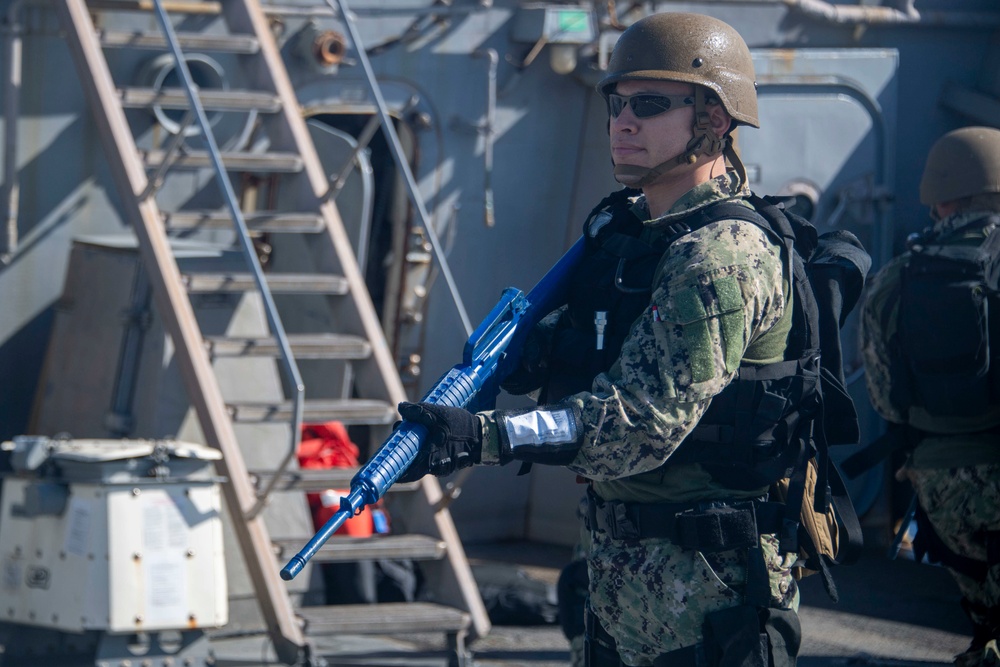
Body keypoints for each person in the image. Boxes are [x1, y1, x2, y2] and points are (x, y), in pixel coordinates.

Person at [396, 12, 867, 667]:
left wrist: (480, 437)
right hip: (619, 582)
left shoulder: (721, 257)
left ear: (713, 119)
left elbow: (638, 423)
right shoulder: (630, 235)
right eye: (618, 103)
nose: (622, 121)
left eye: (649, 105)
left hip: (704, 596)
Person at [859, 125, 1000, 667]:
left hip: (941, 487)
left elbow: (885, 399)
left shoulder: (896, 278)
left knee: (982, 610)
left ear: (939, 197)